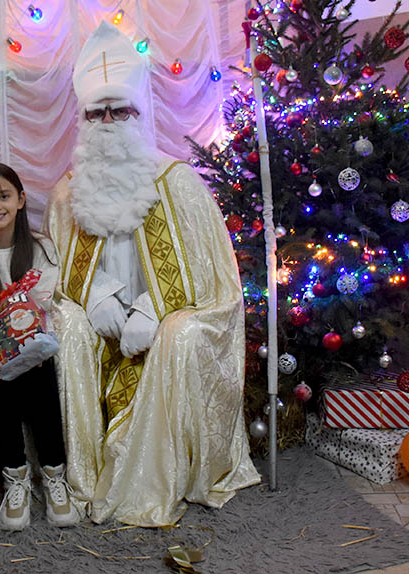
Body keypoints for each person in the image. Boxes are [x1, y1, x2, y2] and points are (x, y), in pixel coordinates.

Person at [44, 21, 261, 527]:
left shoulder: (178, 181)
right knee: (68, 327)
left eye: (121, 110)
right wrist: (95, 296)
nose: (109, 120)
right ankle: (83, 472)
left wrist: (152, 308)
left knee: (180, 334)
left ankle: (164, 472)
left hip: (164, 322)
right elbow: (54, 269)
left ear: (140, 114)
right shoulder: (67, 193)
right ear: (84, 120)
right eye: (97, 113)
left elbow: (214, 280)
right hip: (102, 327)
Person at [0, 162, 80, 531]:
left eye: (4, 196)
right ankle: (15, 475)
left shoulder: (40, 249)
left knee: (39, 379)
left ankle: (54, 473)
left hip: (36, 346)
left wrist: (31, 341)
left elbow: (49, 303)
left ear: (21, 199)